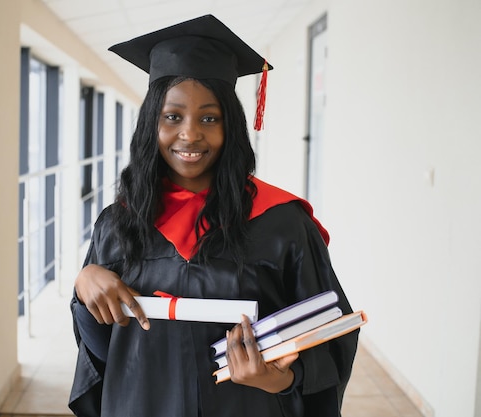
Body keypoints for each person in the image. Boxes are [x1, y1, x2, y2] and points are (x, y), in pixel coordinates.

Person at [68, 14, 358, 417]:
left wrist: (279, 379)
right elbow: (100, 353)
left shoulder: (283, 224)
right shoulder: (118, 226)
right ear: (152, 123)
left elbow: (331, 335)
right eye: (172, 117)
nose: (190, 134)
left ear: (232, 127)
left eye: (209, 118)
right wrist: (84, 288)